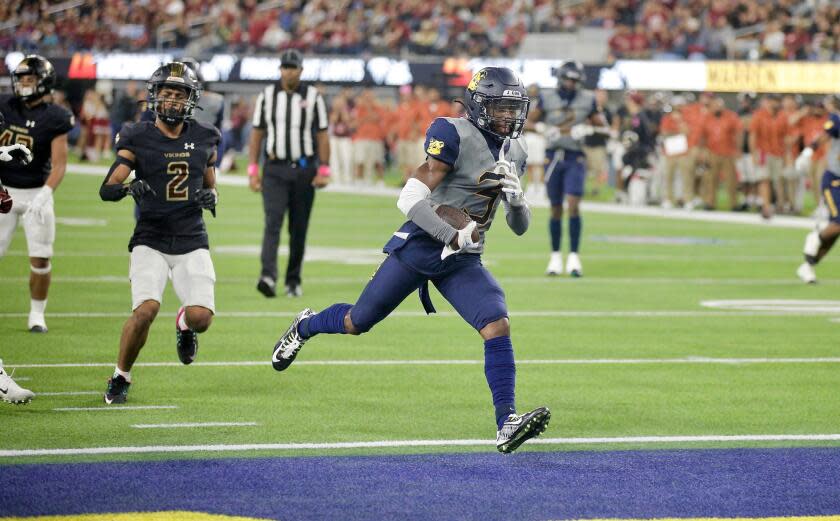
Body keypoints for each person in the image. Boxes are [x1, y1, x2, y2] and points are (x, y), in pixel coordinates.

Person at [269, 67, 550, 454]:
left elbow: (520, 227)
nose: (508, 116)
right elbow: (408, 200)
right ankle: (306, 325)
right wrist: (450, 235)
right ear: (480, 105)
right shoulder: (452, 133)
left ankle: (506, 423)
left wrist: (518, 203)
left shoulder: (515, 150)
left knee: (496, 324)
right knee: (356, 322)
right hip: (420, 246)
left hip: (463, 260)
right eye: (501, 107)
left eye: (513, 108)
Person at [98, 62, 220, 404]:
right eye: (165, 93)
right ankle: (121, 375)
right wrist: (127, 189)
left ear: (190, 99)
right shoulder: (137, 135)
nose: (171, 101)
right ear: (154, 97)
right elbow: (107, 188)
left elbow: (212, 186)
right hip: (150, 237)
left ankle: (184, 324)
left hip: (191, 237)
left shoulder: (205, 135)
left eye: (178, 94)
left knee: (202, 319)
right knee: (146, 309)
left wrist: (213, 196)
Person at [248, 49, 330, 298]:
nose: (289, 71)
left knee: (299, 227)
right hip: (274, 168)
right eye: (285, 67)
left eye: (293, 67)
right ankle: (268, 276)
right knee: (272, 222)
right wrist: (253, 168)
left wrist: (324, 168)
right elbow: (257, 133)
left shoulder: (314, 96)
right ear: (280, 70)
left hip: (304, 168)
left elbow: (322, 134)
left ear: (301, 70)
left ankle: (293, 280)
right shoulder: (267, 96)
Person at [0, 54, 73, 333]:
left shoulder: (56, 116)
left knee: (41, 257)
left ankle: (37, 314)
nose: (23, 84)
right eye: (21, 79)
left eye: (30, 79)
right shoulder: (4, 105)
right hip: (3, 190)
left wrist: (44, 194)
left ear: (44, 82)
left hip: (35, 192)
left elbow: (60, 163)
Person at [536, 61, 608, 277]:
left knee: (574, 205)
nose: (571, 83)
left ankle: (574, 257)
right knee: (556, 207)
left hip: (575, 156)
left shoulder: (587, 98)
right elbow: (527, 122)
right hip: (553, 156)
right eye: (568, 79)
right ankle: (556, 256)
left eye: (575, 80)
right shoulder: (547, 96)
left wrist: (588, 128)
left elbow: (603, 127)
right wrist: (542, 127)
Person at [795, 94, 840, 284]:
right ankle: (814, 238)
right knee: (838, 223)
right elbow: (825, 134)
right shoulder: (837, 119)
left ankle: (809, 264)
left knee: (836, 230)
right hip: (835, 179)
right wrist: (808, 151)